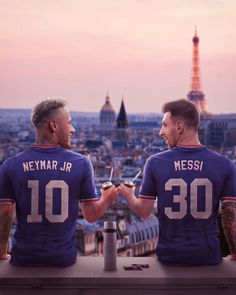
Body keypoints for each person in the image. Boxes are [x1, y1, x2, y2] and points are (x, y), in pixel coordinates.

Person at [0, 98, 118, 266]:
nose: (73, 129)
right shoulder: (81, 163)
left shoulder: (11, 165)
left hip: (23, 260)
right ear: (54, 126)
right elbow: (91, 216)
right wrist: (108, 197)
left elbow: (4, 213)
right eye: (69, 123)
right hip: (63, 260)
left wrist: (2, 255)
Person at [118, 99, 236, 266]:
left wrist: (128, 195)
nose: (160, 132)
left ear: (179, 127)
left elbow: (144, 212)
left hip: (170, 258)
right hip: (208, 256)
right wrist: (234, 252)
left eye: (165, 125)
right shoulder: (225, 164)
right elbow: (229, 216)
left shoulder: (155, 162)